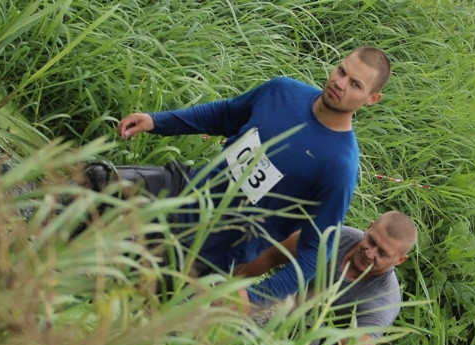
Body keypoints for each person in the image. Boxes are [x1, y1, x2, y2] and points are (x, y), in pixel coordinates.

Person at [110, 47, 390, 306]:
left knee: (116, 297)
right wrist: (157, 121)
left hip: (203, 251)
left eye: (355, 84)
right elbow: (224, 115)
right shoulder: (282, 92)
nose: (340, 83)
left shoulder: (339, 166)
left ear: (371, 99)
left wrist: (256, 296)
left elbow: (315, 253)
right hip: (179, 191)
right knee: (90, 187)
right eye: (341, 71)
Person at [233, 210, 417, 345]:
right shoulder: (336, 237)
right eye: (371, 241)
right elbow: (270, 255)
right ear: (369, 228)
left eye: (382, 253)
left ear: (399, 260)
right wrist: (226, 284)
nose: (370, 253)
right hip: (280, 323)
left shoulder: (384, 300)